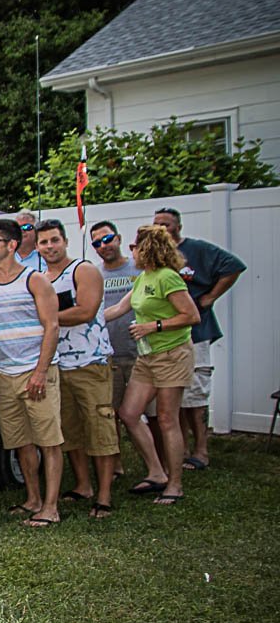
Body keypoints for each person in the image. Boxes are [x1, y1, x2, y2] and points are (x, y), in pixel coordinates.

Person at [0, 218, 63, 527]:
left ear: (11, 245)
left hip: (36, 370)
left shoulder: (35, 280)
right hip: (5, 372)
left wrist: (40, 372)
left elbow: (52, 326)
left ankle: (50, 507)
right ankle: (33, 499)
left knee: (49, 442)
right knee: (20, 441)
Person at [104, 225, 200, 505]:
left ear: (148, 248)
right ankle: (156, 472)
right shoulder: (142, 278)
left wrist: (153, 326)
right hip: (147, 358)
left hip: (172, 354)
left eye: (135, 246)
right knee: (129, 413)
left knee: (168, 418)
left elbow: (191, 315)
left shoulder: (168, 278)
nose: (131, 251)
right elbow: (118, 309)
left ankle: (175, 484)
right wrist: (79, 319)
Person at [152, 207, 246, 470]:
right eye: (157, 223)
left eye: (167, 224)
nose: (161, 228)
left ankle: (201, 449)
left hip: (196, 332)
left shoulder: (198, 250)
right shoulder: (157, 257)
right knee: (173, 396)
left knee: (196, 394)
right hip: (165, 337)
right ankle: (179, 449)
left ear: (178, 226)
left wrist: (210, 296)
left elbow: (234, 266)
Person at [36, 221, 118, 519]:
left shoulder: (83, 270)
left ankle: (105, 496)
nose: (49, 246)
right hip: (57, 364)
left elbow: (86, 309)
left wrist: (45, 317)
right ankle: (83, 486)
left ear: (65, 241)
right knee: (69, 430)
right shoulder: (40, 278)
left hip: (90, 362)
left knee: (100, 429)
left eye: (54, 240)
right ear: (37, 246)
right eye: (43, 242)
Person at [91, 221, 138, 477]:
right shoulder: (94, 274)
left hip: (141, 351)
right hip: (110, 353)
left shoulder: (139, 268)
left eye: (107, 239)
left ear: (118, 238)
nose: (103, 246)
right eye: (97, 243)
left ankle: (160, 464)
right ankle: (117, 465)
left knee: (153, 415)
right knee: (113, 413)